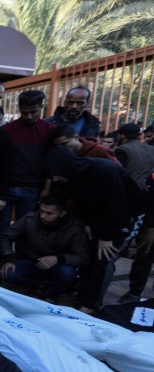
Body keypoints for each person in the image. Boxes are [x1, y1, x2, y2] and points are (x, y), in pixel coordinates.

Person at [43, 146, 154, 314]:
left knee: (104, 257)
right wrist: (87, 224)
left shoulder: (105, 170)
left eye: (56, 173)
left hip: (128, 216)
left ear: (66, 166)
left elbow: (118, 206)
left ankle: (91, 304)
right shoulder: (73, 177)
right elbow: (81, 203)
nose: (55, 178)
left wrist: (106, 237)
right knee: (91, 255)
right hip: (100, 218)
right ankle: (84, 295)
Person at [0, 194, 90, 304]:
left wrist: (58, 258)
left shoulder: (75, 228)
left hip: (58, 266)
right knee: (8, 273)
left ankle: (52, 293)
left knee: (67, 274)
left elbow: (83, 258)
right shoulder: (30, 219)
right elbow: (6, 237)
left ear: (62, 213)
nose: (42, 216)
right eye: (41, 211)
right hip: (31, 260)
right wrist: (8, 258)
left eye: (49, 213)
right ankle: (41, 285)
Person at [0, 90, 54, 238]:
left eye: (33, 112)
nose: (29, 116)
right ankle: (0, 260)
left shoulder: (50, 130)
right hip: (7, 187)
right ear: (19, 109)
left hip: (33, 188)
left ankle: (21, 259)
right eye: (24, 112)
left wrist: (46, 188)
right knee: (2, 228)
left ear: (41, 107)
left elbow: (50, 163)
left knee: (26, 229)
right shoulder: (6, 130)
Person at [113, 122, 154, 303]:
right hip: (146, 211)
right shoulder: (150, 149)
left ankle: (138, 295)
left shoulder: (127, 150)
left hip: (138, 207)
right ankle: (135, 293)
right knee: (145, 253)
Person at [48, 123, 119, 164]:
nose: (62, 148)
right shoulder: (59, 154)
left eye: (64, 144)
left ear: (76, 137)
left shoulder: (101, 151)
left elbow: (118, 173)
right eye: (58, 146)